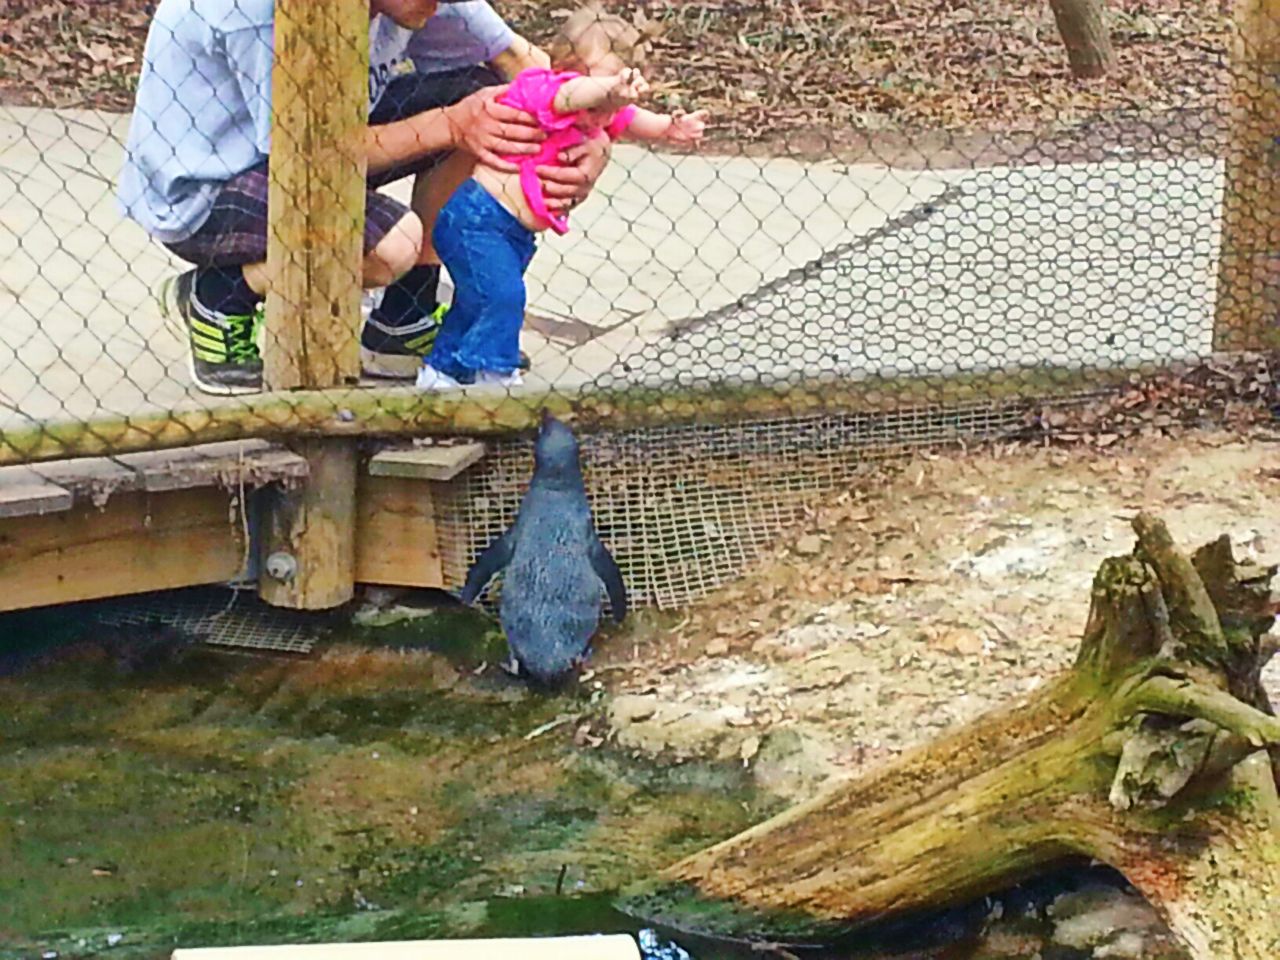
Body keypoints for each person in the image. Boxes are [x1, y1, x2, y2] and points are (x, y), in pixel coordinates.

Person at [117, 0, 610, 395]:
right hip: (206, 189)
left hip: (299, 149)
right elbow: (310, 153)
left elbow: (525, 71)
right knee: (390, 246)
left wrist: (585, 144)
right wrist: (453, 125)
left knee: (493, 103)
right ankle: (220, 295)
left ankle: (403, 316)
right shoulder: (259, 15)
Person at [416, 6, 708, 391]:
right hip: (475, 219)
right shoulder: (542, 90)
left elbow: (634, 118)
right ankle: (496, 378)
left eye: (611, 104)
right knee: (504, 297)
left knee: (476, 301)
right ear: (566, 69)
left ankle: (442, 372)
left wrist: (670, 127)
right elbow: (571, 94)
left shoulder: (601, 111)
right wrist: (609, 89)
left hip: (511, 233)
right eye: (600, 93)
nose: (604, 112)